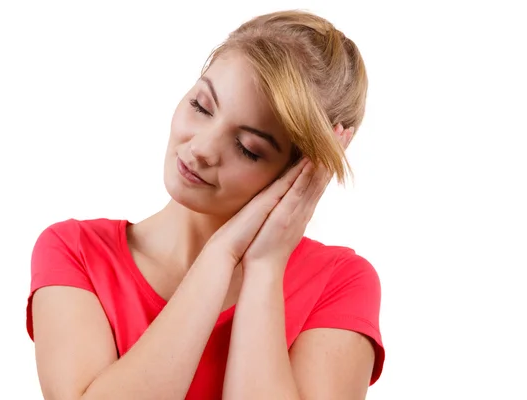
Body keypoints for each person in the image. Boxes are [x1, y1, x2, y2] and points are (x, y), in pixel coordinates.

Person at [26, 9, 385, 400]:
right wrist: (221, 254)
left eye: (248, 148)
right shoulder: (76, 251)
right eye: (201, 106)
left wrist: (263, 268)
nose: (200, 149)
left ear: (299, 174)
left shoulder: (339, 283)